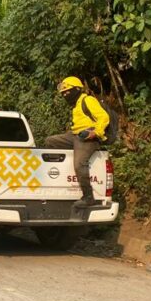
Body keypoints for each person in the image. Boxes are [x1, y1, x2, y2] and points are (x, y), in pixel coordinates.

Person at [44, 77, 108, 208]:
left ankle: (88, 196)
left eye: (68, 91)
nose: (66, 95)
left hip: (88, 136)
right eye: (64, 93)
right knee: (50, 141)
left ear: (77, 89)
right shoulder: (76, 105)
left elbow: (104, 117)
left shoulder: (87, 100)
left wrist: (95, 133)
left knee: (79, 165)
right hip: (75, 135)